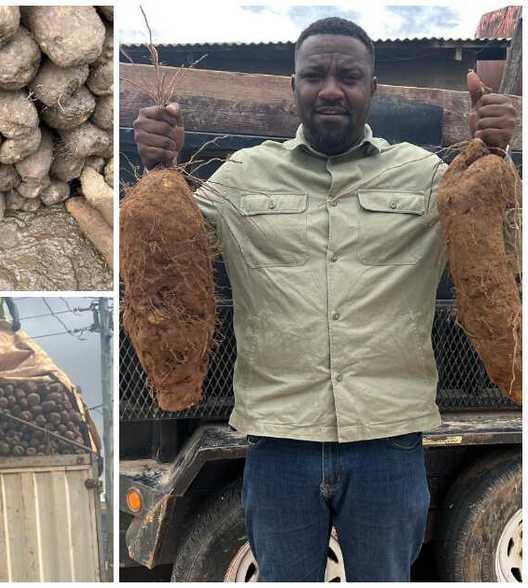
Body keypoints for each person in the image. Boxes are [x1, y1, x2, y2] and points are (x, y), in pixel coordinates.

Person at [132, 17, 518, 582]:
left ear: (372, 89)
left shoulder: (426, 177)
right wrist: (158, 169)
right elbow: (171, 238)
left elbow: (500, 231)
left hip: (388, 444)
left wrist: (497, 157)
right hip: (279, 444)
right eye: (315, 75)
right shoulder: (242, 177)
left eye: (349, 76)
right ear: (294, 87)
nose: (331, 88)